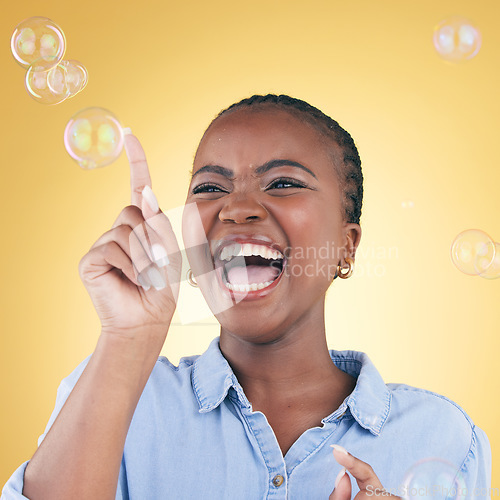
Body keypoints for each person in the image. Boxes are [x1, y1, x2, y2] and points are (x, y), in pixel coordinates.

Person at [2, 95, 491, 500]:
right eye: (210, 187)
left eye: (282, 183)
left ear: (347, 244)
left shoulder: (445, 435)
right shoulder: (117, 394)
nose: (236, 208)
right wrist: (129, 336)